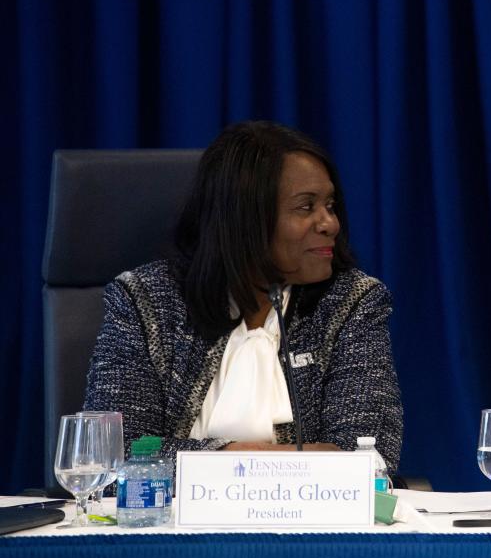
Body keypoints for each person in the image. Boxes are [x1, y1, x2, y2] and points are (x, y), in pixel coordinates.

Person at [85, 121, 403, 471]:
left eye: (329, 205)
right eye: (305, 207)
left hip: (307, 522)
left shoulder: (352, 302)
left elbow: (367, 459)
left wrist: (186, 458)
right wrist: (280, 458)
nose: (330, 223)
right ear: (245, 218)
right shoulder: (146, 301)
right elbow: (114, 459)